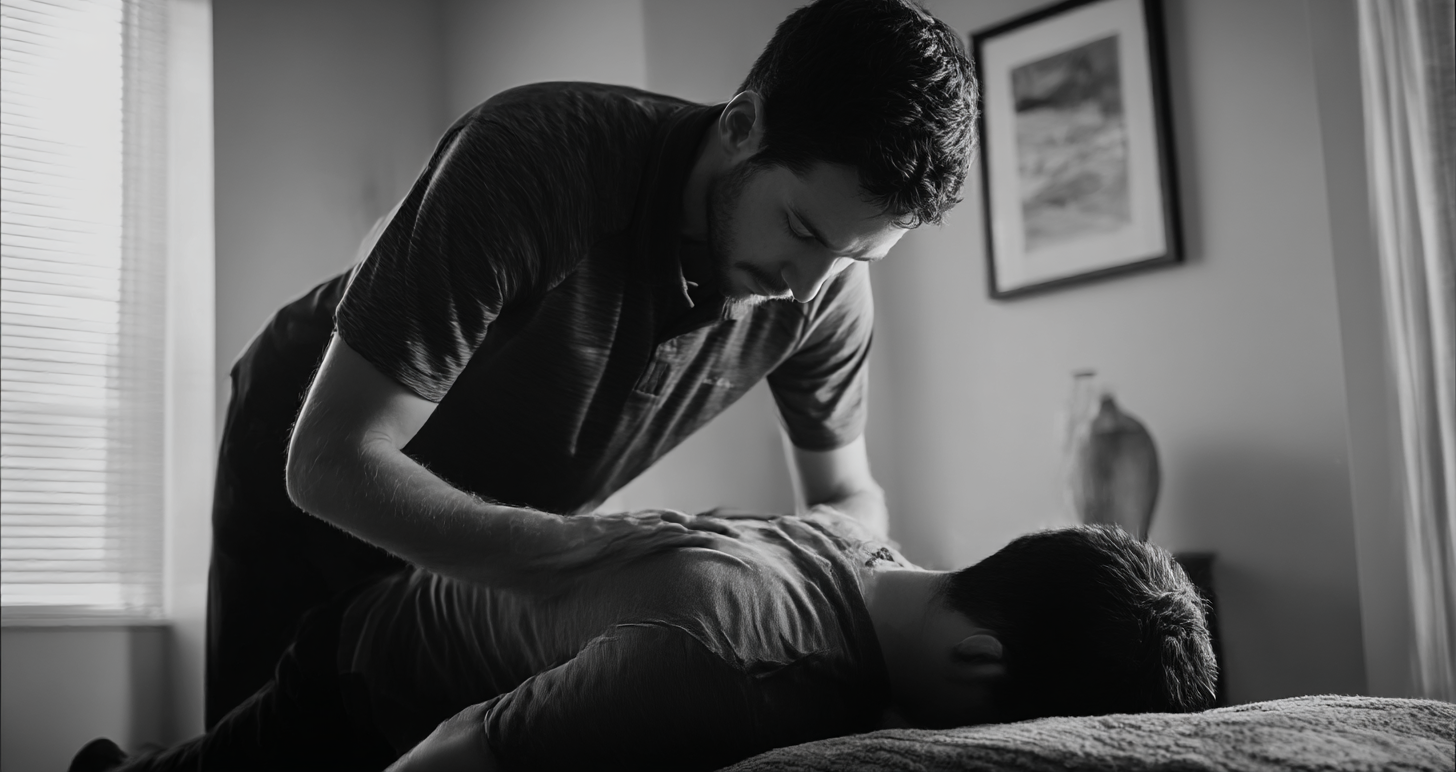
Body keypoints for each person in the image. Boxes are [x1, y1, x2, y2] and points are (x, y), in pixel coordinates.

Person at [206, 0, 980, 724]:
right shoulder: (531, 158)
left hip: (507, 503)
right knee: (262, 740)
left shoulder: (823, 290)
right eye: (803, 231)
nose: (807, 287)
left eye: (856, 258)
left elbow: (847, 495)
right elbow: (329, 461)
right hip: (319, 437)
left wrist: (778, 568)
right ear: (743, 125)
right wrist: (589, 553)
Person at [79, 519, 1218, 772]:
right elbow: (458, 751)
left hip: (434, 612)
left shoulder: (862, 549)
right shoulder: (723, 666)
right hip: (371, 671)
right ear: (980, 665)